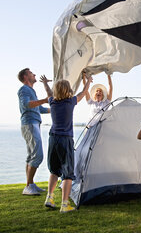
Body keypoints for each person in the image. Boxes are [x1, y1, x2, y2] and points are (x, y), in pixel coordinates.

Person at [41, 76, 92, 213]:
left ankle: (49, 198)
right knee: (68, 173)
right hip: (65, 139)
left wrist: (45, 83)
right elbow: (83, 92)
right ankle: (64, 205)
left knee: (54, 170)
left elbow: (48, 92)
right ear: (68, 90)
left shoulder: (52, 101)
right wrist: (88, 81)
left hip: (53, 139)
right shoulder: (71, 102)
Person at [17, 68, 50, 195]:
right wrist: (44, 99)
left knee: (31, 155)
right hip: (30, 123)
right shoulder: (24, 89)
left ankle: (30, 185)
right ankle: (28, 187)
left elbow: (40, 108)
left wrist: (56, 108)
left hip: (33, 123)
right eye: (31, 73)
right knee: (38, 155)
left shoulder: (31, 90)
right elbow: (26, 104)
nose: (34, 74)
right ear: (25, 77)